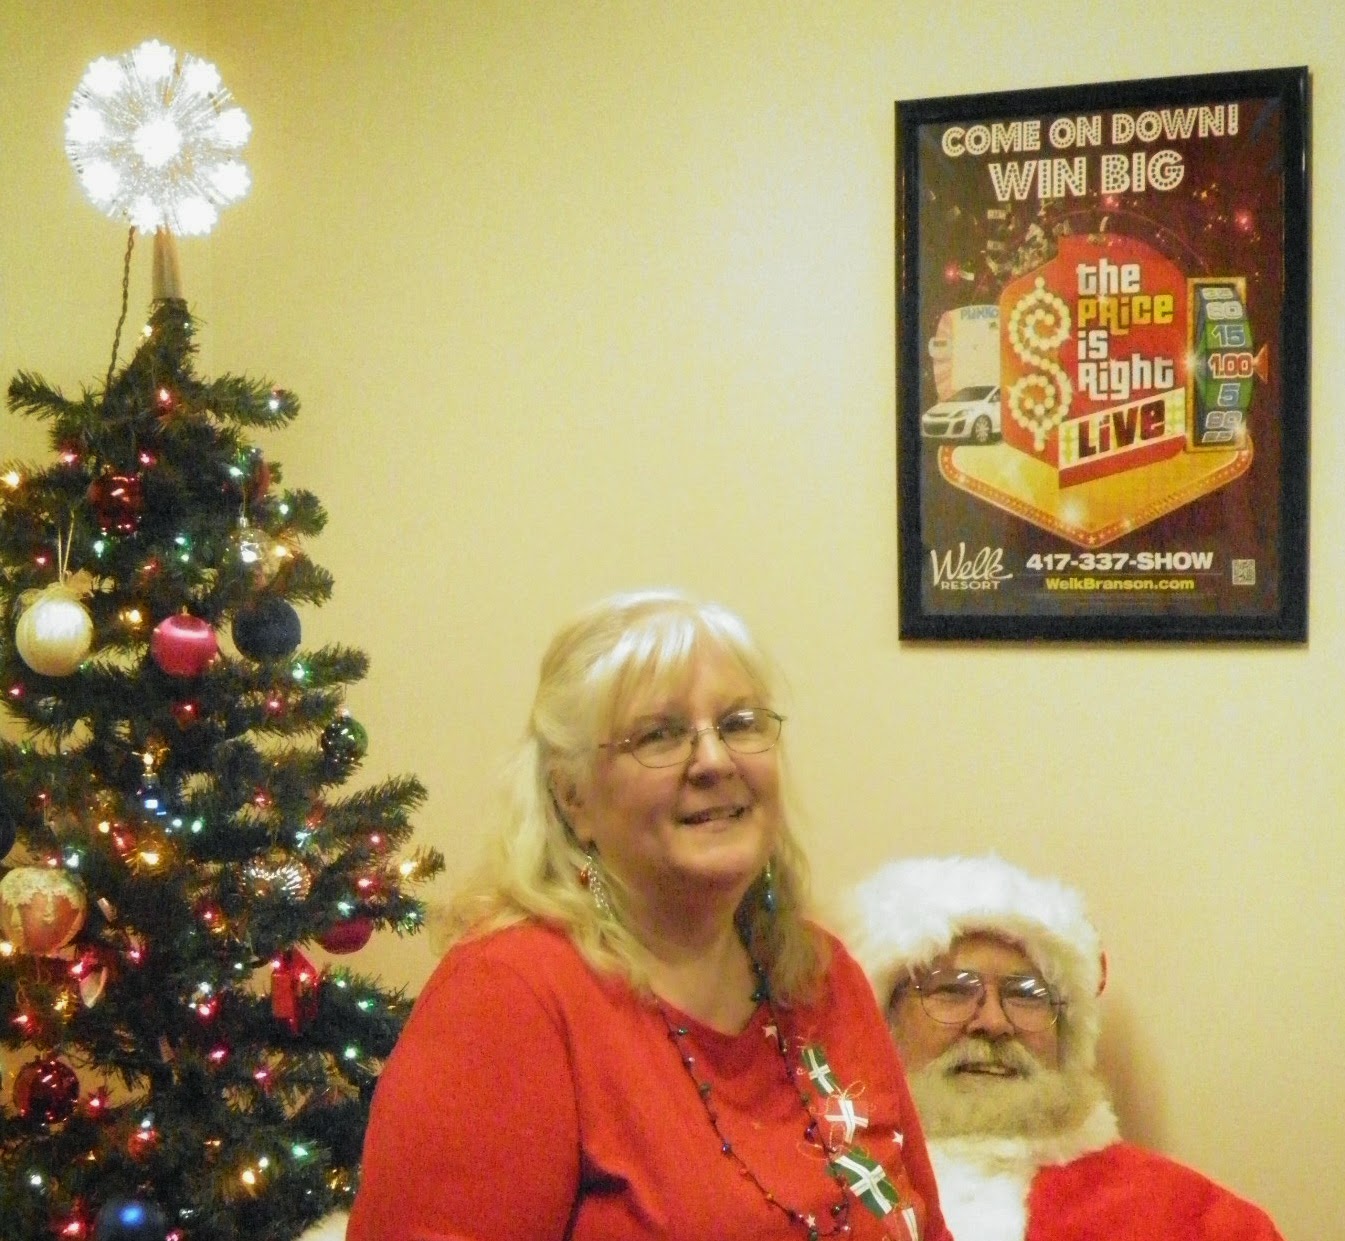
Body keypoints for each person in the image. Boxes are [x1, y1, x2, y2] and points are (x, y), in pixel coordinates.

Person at [346, 589, 951, 1241]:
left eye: (739, 723)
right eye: (659, 734)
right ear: (572, 797)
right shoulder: (506, 998)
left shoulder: (822, 975)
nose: (714, 760)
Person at [839, 854, 1285, 1241]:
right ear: (886, 1021)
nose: (994, 1022)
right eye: (954, 990)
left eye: (1026, 995)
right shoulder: (820, 1203)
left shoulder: (1201, 1223)